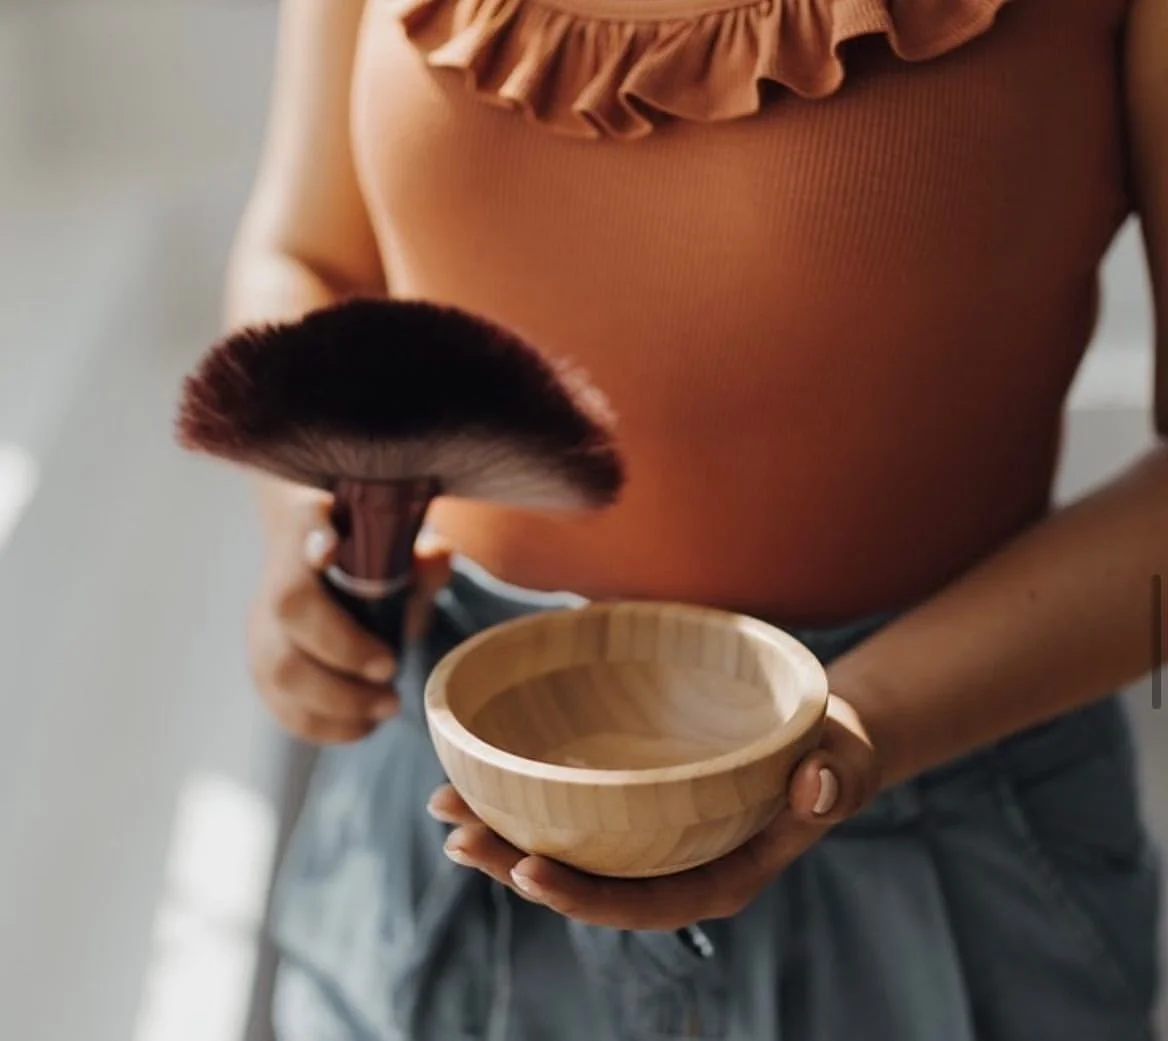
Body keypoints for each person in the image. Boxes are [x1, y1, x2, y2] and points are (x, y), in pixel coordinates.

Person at [225, 0, 1168, 1037]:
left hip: (938, 847)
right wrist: (311, 531)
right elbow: (310, 253)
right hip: (443, 822)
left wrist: (861, 731)